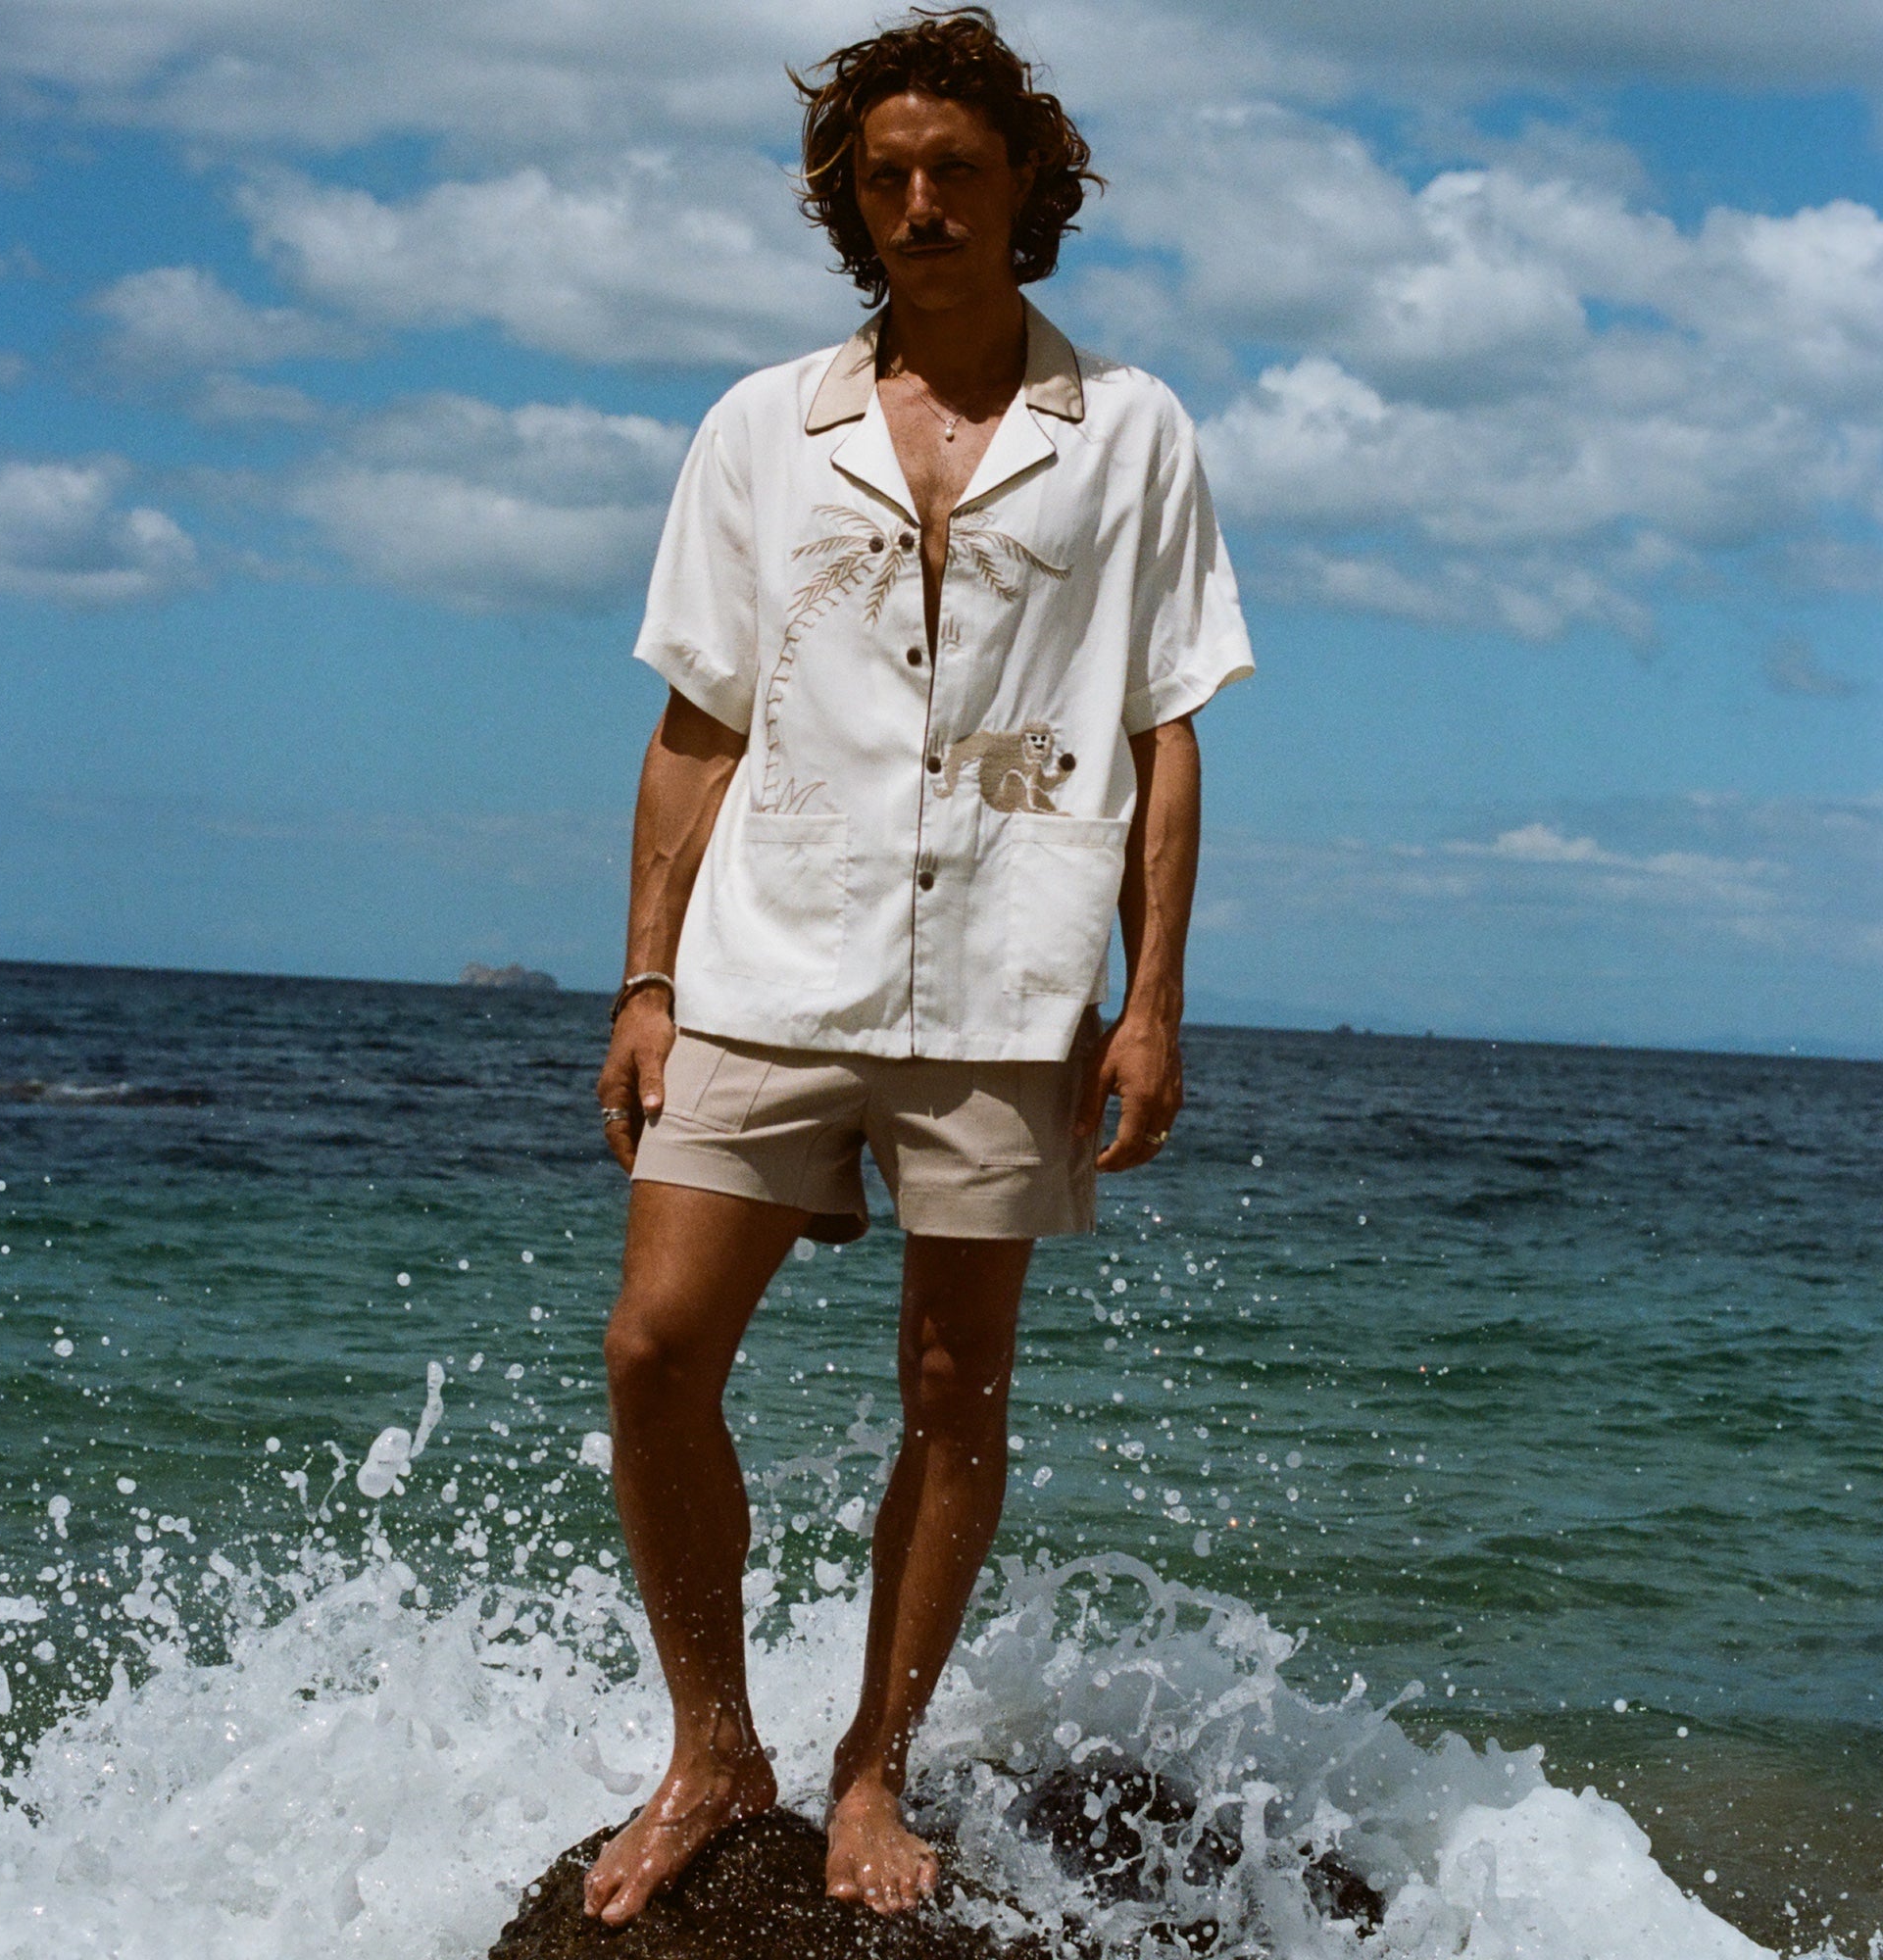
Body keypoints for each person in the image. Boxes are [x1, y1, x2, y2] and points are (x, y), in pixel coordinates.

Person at [582, 5, 1253, 1926]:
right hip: (764, 959)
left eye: (956, 166)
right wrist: (640, 981)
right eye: (884, 173)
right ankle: (713, 1742)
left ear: (1028, 183)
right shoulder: (756, 426)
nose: (922, 200)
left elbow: (1164, 731)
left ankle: (876, 1759)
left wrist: (1150, 1001)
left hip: (1008, 970)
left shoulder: (1128, 431)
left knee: (954, 1386)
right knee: (651, 1349)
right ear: (845, 198)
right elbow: (700, 718)